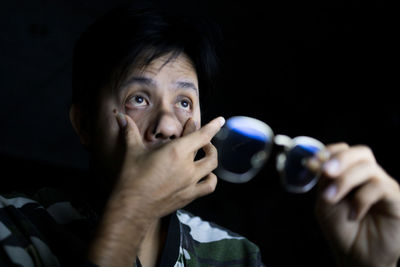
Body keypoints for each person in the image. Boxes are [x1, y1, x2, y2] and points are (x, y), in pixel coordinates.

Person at [1, 3, 400, 267]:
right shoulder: (15, 226)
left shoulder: (236, 256)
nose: (170, 126)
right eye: (139, 98)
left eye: (185, 103)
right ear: (84, 124)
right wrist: (133, 211)